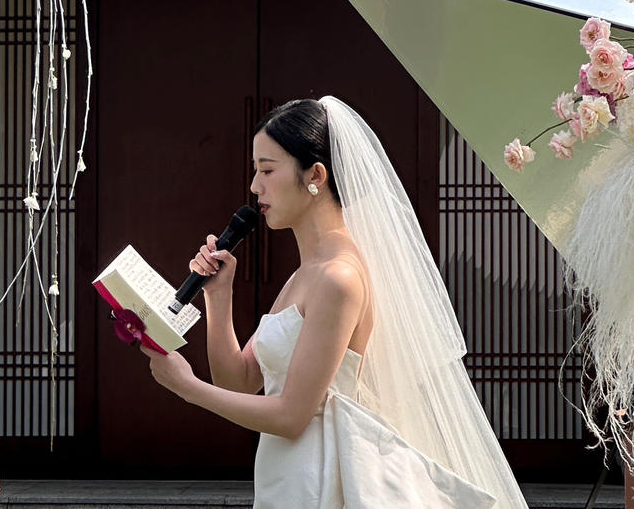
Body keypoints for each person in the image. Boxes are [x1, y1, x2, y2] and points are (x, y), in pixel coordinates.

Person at [143, 97, 529, 509]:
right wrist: (219, 296)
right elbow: (240, 380)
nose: (255, 186)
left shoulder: (338, 277)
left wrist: (189, 389)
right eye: (256, 170)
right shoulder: (307, 273)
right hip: (286, 475)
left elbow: (292, 416)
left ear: (315, 175)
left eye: (267, 170)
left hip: (320, 481)